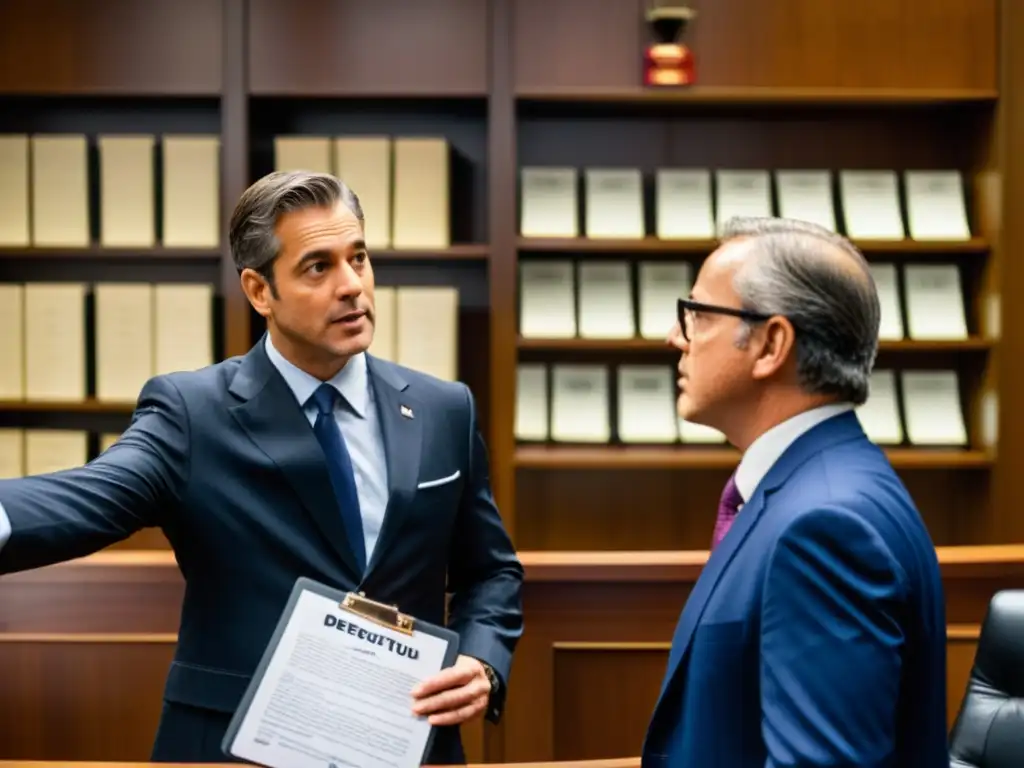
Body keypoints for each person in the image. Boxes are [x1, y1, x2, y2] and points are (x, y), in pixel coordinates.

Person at [0, 170, 524, 765]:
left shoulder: (442, 408)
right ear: (258, 291)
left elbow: (490, 571)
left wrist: (482, 661)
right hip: (239, 747)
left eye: (359, 258)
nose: (353, 286)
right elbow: (91, 496)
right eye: (318, 267)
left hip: (401, 741)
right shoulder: (192, 412)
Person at [641, 216, 948, 767]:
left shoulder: (826, 526)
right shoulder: (826, 486)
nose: (675, 337)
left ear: (771, 344)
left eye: (699, 316)